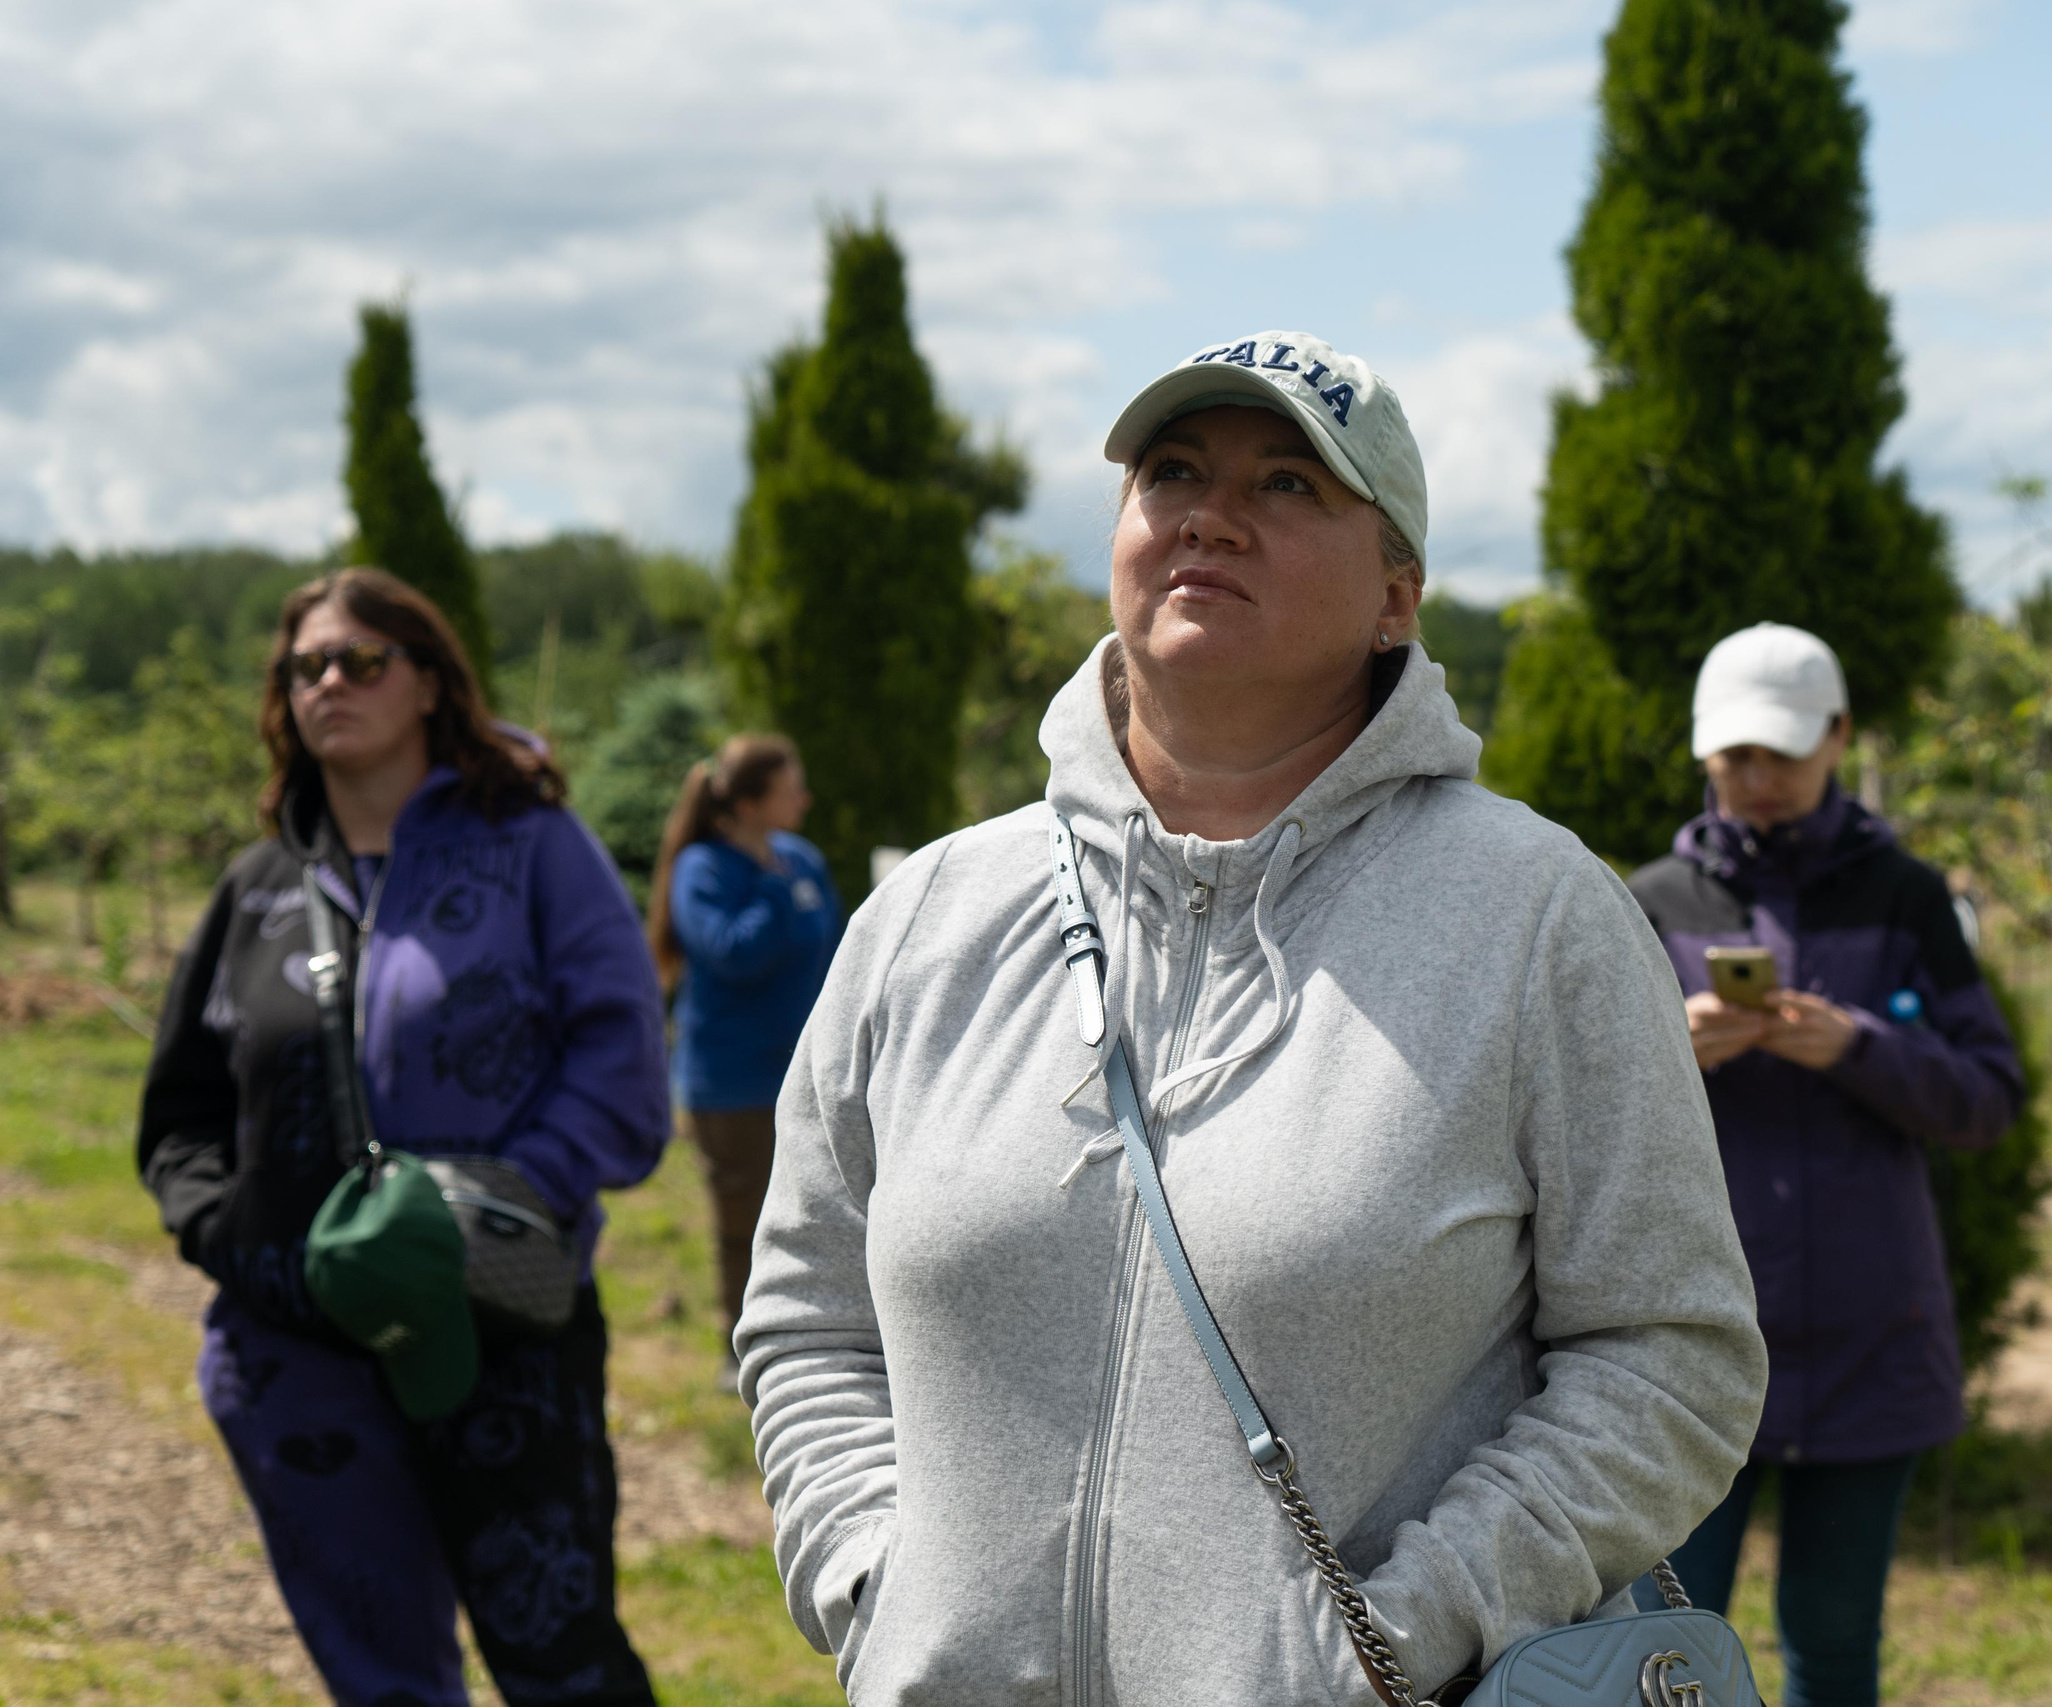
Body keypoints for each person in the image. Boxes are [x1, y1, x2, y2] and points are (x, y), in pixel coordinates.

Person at [736, 330, 1769, 1704]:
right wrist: (875, 1583)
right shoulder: (929, 916)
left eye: (1290, 483)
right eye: (1173, 471)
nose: (1211, 513)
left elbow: (1670, 1355)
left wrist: (1403, 1627)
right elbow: (808, 1318)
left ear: (1397, 592)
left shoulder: (1539, 919)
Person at [137, 567, 670, 1707]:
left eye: (361, 660)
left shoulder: (533, 846)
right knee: (382, 1683)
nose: (329, 682)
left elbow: (620, 1057)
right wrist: (240, 1244)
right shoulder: (257, 890)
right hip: (296, 1356)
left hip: (502, 1333)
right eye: (305, 668)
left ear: (428, 681)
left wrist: (500, 1200)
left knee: (564, 1663)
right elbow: (178, 1114)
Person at [1625, 622, 2024, 1707]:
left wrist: (1858, 1049)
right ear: (1702, 750)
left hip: (1870, 1341)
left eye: (1780, 753)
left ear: (1839, 736)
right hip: (1690, 1346)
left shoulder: (1906, 899)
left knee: (1836, 1648)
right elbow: (1566, 1113)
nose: (1754, 779)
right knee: (1662, 1655)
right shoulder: (1648, 902)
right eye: (1733, 756)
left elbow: (1988, 1099)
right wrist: (1671, 1050)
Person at [645, 733, 841, 1362]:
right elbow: (730, 952)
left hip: (807, 1073)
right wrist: (770, 888)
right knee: (748, 1222)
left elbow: (839, 951)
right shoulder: (702, 869)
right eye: (790, 789)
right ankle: (748, 1350)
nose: (805, 799)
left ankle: (823, 1339)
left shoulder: (802, 858)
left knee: (825, 1220)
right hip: (733, 1082)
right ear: (751, 803)